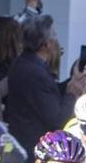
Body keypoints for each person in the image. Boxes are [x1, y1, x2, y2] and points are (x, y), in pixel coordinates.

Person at [5, 14, 75, 154]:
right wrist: (72, 93)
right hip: (33, 146)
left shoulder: (23, 63)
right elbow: (57, 120)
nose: (57, 41)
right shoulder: (36, 72)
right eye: (54, 36)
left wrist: (71, 83)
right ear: (46, 44)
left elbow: (47, 94)